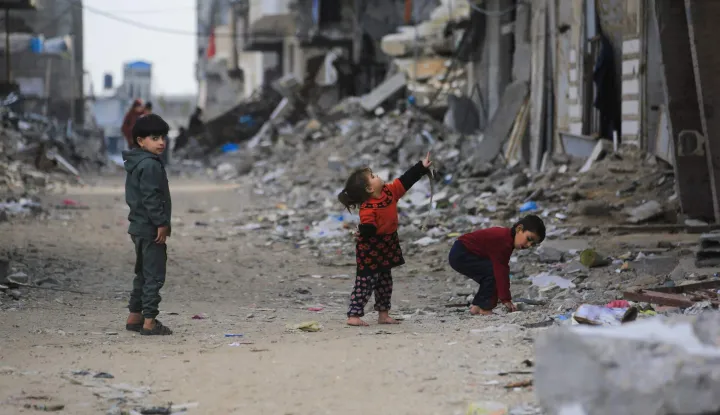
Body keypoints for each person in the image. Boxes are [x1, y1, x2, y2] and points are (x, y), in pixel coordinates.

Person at [338, 153, 432, 326]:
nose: (377, 176)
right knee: (365, 282)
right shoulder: (367, 209)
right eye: (373, 176)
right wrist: (360, 231)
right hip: (370, 248)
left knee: (385, 281)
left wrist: (421, 167)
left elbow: (405, 180)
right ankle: (353, 315)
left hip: (387, 244)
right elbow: (369, 228)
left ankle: (383, 314)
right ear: (369, 189)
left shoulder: (390, 192)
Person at [122, 114, 173, 336]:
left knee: (142, 272)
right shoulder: (150, 165)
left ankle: (135, 316)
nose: (161, 142)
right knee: (154, 275)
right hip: (151, 228)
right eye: (155, 138)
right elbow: (151, 198)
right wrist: (161, 223)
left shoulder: (136, 163)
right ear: (141, 141)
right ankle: (150, 322)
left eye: (163, 137)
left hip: (138, 226)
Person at [448, 215, 546, 316]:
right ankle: (484, 308)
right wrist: (506, 299)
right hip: (462, 253)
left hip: (461, 252)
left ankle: (477, 307)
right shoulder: (503, 239)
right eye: (529, 239)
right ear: (519, 229)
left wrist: (505, 298)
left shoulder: (507, 239)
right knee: (493, 273)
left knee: (490, 274)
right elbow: (501, 270)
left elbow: (502, 268)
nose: (529, 245)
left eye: (533, 244)